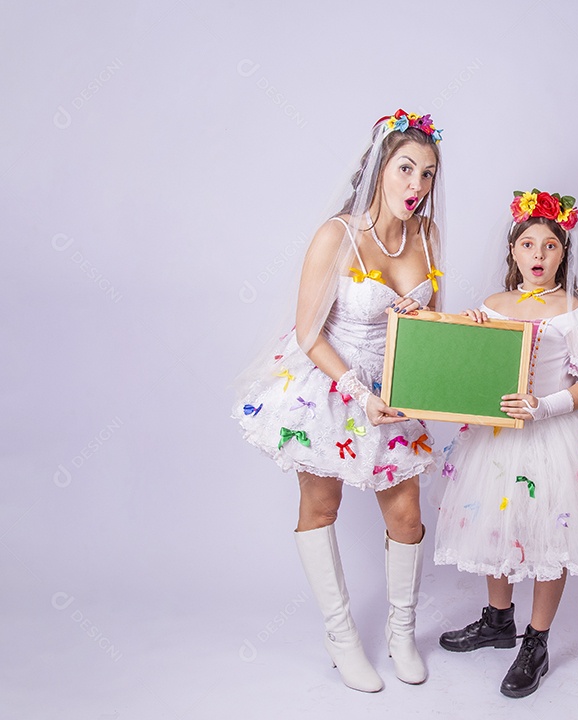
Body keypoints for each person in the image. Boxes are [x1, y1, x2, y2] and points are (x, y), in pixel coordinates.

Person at [233, 109, 446, 692]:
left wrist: (429, 326)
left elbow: (428, 323)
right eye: (406, 169)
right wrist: (358, 394)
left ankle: (401, 633)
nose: (417, 185)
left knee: (406, 516)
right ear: (379, 167)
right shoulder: (337, 235)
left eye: (428, 174)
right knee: (322, 506)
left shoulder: (427, 235)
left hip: (393, 391)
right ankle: (341, 635)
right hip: (332, 382)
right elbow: (308, 333)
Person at [433, 189, 578, 698]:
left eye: (549, 246)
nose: (538, 255)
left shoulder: (574, 313)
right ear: (513, 250)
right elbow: (470, 367)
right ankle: (497, 620)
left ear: (562, 254)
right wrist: (470, 331)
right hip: (498, 438)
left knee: (552, 533)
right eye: (528, 244)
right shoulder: (493, 304)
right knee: (496, 524)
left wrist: (543, 407)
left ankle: (537, 641)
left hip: (552, 436)